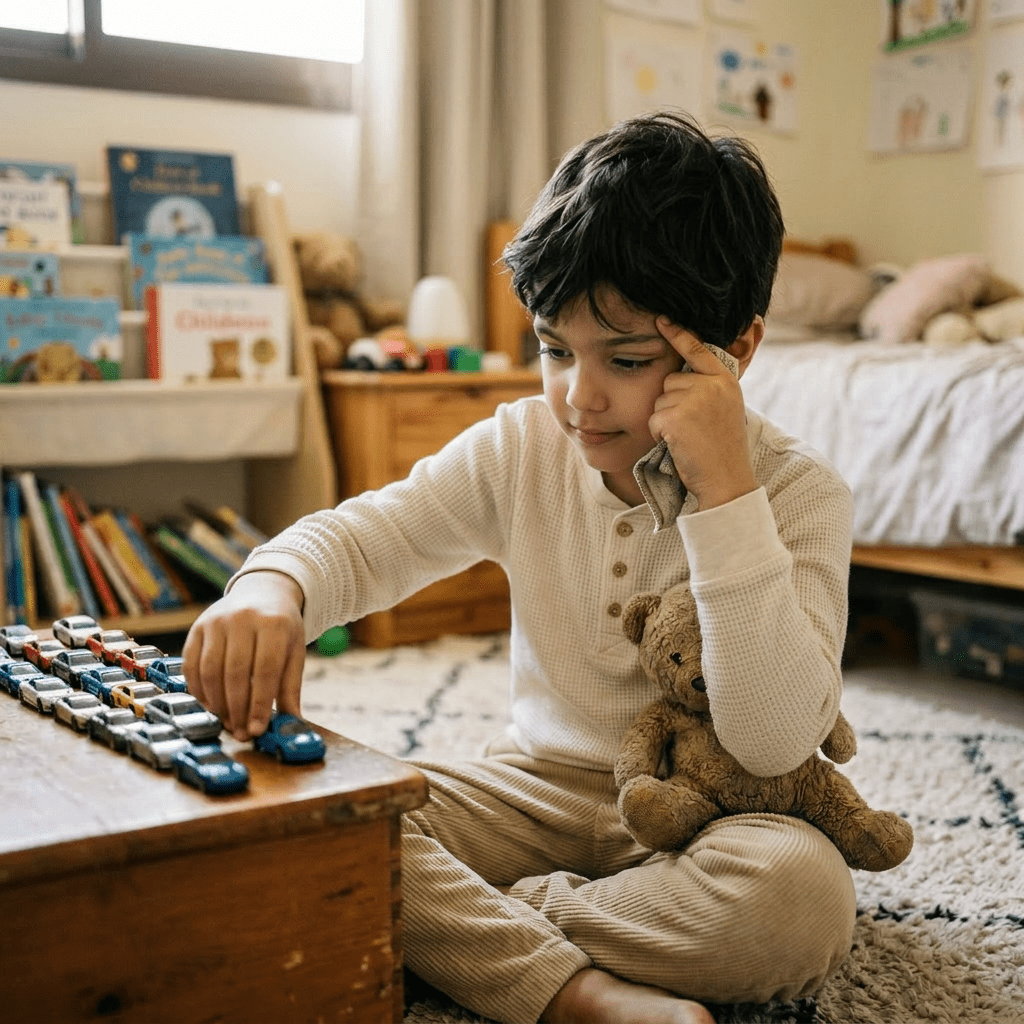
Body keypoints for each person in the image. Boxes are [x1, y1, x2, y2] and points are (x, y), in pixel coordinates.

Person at [184, 111, 857, 1024]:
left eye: (624, 359)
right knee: (309, 808)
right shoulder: (521, 445)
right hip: (532, 790)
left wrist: (727, 494)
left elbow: (777, 741)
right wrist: (275, 586)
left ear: (733, 351)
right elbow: (370, 536)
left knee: (801, 904)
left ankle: (480, 933)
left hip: (712, 820)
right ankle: (572, 991)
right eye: (552, 348)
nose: (578, 397)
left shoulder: (799, 493)